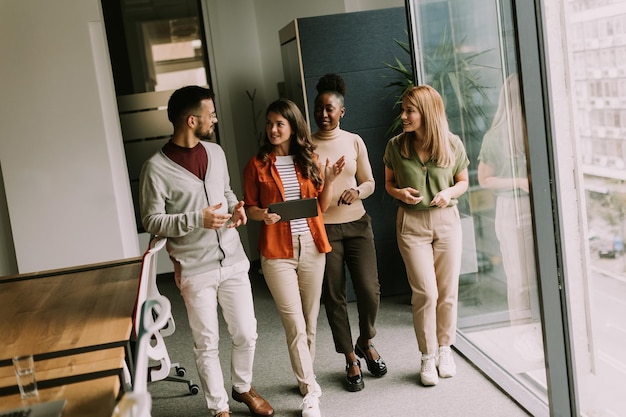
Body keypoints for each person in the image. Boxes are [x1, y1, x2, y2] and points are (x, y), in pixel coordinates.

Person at [139, 85, 274, 417]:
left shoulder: (215, 152)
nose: (214, 120)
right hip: (194, 268)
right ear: (191, 120)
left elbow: (225, 192)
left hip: (233, 259)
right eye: (209, 115)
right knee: (207, 342)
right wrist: (196, 219)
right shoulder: (155, 169)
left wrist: (236, 208)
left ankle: (242, 387)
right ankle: (219, 408)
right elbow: (152, 220)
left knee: (246, 331)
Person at [242, 98, 344, 417]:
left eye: (279, 124)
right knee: (294, 322)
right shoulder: (256, 164)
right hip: (276, 251)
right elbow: (249, 207)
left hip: (312, 245)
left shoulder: (308, 159)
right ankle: (311, 391)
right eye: (269, 123)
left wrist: (327, 178)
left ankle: (304, 379)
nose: (272, 129)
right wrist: (264, 214)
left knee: (310, 320)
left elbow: (320, 206)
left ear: (292, 127)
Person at [383, 85, 469, 386]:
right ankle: (427, 355)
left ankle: (446, 349)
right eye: (403, 109)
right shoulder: (396, 145)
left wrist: (448, 192)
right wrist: (400, 193)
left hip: (447, 222)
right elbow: (389, 184)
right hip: (412, 225)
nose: (403, 115)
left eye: (410, 110)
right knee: (426, 293)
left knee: (447, 292)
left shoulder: (452, 143)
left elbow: (463, 181)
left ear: (427, 113)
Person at [310, 73, 386, 392]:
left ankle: (366, 340)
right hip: (324, 229)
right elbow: (305, 192)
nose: (324, 114)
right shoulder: (306, 146)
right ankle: (351, 357)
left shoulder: (354, 140)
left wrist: (358, 191)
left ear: (342, 111)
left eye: (330, 108)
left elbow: (369, 181)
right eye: (319, 109)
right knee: (334, 296)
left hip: (357, 225)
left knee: (370, 290)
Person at [477, 74, 538, 326]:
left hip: (538, 206)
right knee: (520, 279)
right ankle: (522, 331)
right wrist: (520, 182)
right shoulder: (496, 136)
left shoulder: (537, 125)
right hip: (514, 208)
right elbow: (484, 179)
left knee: (537, 275)